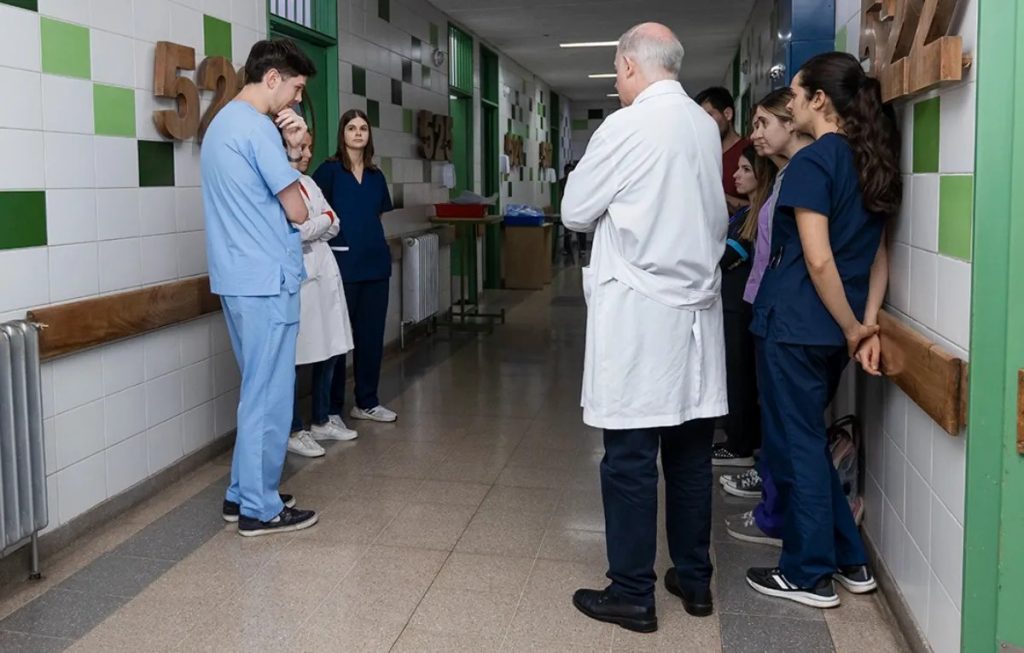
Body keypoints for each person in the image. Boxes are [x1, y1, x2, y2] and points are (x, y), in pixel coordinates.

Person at [562, 22, 728, 633]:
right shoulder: (704, 126)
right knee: (688, 457)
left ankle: (632, 592)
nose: (616, 81)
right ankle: (695, 578)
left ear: (631, 65)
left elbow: (574, 210)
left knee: (630, 458)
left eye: (616, 70)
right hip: (697, 314)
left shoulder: (625, 125)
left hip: (642, 315)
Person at [745, 52, 899, 608]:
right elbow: (877, 257)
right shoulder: (869, 160)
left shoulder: (814, 163)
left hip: (795, 326)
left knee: (795, 448)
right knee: (805, 440)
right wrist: (863, 324)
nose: (790, 104)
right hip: (830, 333)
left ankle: (808, 573)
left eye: (795, 94)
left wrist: (856, 328)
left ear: (819, 100)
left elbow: (817, 259)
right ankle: (850, 559)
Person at [201, 39, 319, 536]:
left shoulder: (221, 125)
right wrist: (294, 148)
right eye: (296, 88)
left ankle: (241, 494)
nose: (296, 99)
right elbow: (299, 209)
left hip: (237, 279)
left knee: (256, 387)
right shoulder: (257, 128)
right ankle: (259, 508)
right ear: (272, 79)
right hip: (267, 280)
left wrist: (286, 154)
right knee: (268, 394)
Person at [720, 89, 815, 549]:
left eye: (763, 123)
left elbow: (816, 259)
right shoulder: (782, 180)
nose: (754, 133)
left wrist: (855, 325)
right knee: (780, 425)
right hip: (768, 309)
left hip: (786, 316)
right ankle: (774, 507)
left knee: (790, 431)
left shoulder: (805, 174)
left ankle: (784, 525)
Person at [313, 110, 398, 424]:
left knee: (371, 337)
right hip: (343, 266)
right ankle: (331, 409)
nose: (358, 133)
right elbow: (314, 212)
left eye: (363, 128)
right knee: (337, 340)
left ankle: (367, 401)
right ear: (343, 134)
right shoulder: (330, 171)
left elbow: (376, 216)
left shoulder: (376, 176)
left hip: (375, 265)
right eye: (351, 128)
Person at [285, 131, 358, 459]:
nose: (306, 154)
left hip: (324, 273)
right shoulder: (278, 186)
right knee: (294, 359)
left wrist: (321, 222)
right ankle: (293, 429)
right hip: (300, 280)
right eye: (300, 147)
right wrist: (321, 222)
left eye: (309, 147)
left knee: (330, 349)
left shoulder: (309, 183)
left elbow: (335, 223)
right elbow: (293, 231)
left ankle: (321, 419)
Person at [715, 145, 777, 470]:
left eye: (745, 170)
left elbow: (723, 258)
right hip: (732, 305)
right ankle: (738, 439)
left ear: (761, 176)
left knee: (740, 376)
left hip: (740, 309)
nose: (736, 175)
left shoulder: (756, 218)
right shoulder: (744, 214)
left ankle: (740, 444)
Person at [694, 86, 751, 214]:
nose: (703, 123)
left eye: (708, 116)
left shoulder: (750, 151)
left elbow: (762, 205)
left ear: (728, 114)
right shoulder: (702, 154)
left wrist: (716, 196)